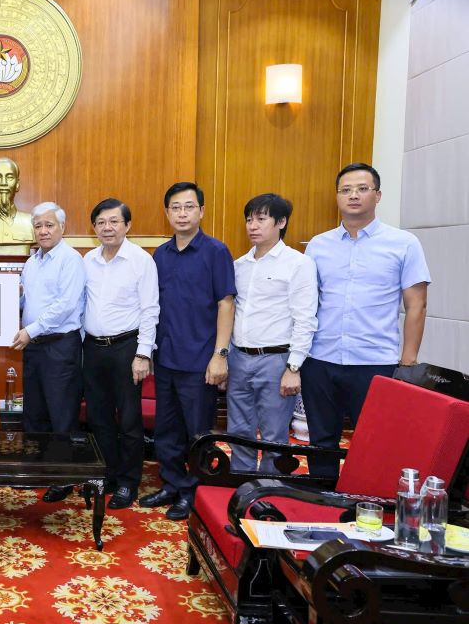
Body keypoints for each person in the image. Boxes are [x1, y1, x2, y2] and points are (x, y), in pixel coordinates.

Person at [302, 163, 430, 477]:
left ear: (378, 195)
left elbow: (417, 304)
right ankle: (321, 496)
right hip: (320, 359)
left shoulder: (404, 243)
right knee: (321, 441)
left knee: (376, 442)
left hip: (375, 362)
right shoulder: (318, 245)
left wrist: (408, 362)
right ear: (337, 197)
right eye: (345, 190)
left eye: (362, 189)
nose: (353, 196)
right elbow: (305, 303)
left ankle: (367, 500)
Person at [140, 182, 236, 521]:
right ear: (167, 213)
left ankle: (193, 492)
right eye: (176, 208)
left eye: (189, 207)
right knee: (167, 429)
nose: (182, 214)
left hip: (200, 360)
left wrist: (220, 354)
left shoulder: (216, 251)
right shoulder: (160, 255)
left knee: (198, 432)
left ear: (201, 211)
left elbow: (226, 303)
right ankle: (171, 484)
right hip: (166, 357)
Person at [227, 193, 317, 473]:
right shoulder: (239, 265)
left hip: (276, 360)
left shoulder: (298, 264)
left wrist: (294, 367)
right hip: (239, 357)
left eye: (261, 219)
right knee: (238, 430)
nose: (253, 226)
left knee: (274, 434)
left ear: (281, 222)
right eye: (249, 220)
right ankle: (241, 482)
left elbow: (305, 318)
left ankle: (268, 487)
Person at [82, 198, 159, 509]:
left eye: (114, 221)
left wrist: (143, 354)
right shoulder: (88, 260)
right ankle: (108, 475)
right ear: (94, 228)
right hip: (93, 348)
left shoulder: (141, 261)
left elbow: (150, 310)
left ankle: (128, 482)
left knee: (128, 419)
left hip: (127, 348)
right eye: (101, 222)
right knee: (98, 417)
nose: (107, 227)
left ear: (127, 225)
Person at [13, 201, 85, 502]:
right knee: (34, 413)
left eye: (49, 225)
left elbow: (65, 305)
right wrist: (8, 301)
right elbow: (25, 302)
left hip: (59, 346)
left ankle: (62, 477)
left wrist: (30, 330)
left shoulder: (71, 260)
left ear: (62, 227)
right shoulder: (32, 262)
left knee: (61, 414)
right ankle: (36, 471)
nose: (43, 231)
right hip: (34, 347)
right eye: (38, 226)